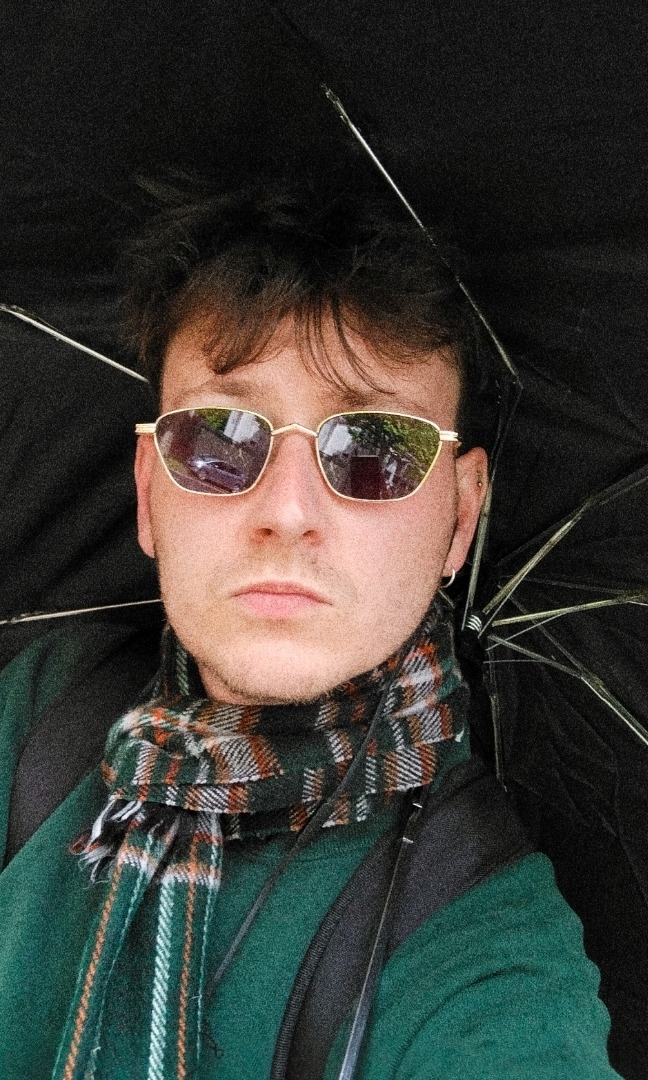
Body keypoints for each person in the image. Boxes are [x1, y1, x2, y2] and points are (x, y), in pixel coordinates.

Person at [0, 184, 619, 1079]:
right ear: (147, 489)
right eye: (219, 439)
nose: (286, 511)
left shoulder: (482, 944)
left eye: (374, 449)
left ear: (460, 516)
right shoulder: (39, 713)